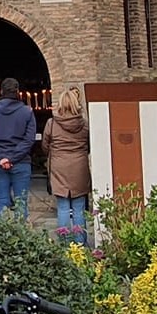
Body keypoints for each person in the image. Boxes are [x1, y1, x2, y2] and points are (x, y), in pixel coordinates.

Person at [0, 76, 37, 221]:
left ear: (2, 91)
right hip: (21, 162)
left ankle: (3, 240)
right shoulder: (27, 112)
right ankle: (20, 239)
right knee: (21, 204)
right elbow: (29, 139)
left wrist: (0, 157)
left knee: (2, 202)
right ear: (17, 91)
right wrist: (12, 157)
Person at [42, 87, 91, 245]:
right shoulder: (84, 124)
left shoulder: (52, 123)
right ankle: (80, 245)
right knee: (78, 208)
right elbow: (89, 145)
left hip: (59, 167)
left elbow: (45, 145)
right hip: (79, 167)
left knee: (63, 207)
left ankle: (64, 244)